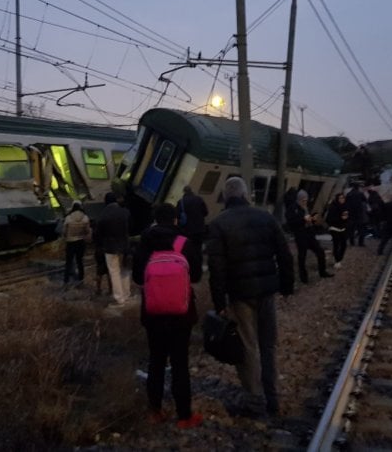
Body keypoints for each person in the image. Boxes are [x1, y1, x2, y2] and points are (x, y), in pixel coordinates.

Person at [207, 176, 294, 417]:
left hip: (240, 295)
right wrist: (287, 286)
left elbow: (217, 269)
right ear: (245, 194)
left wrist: (219, 302)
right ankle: (272, 398)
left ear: (226, 196)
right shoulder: (266, 217)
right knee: (268, 345)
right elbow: (285, 254)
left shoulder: (218, 224)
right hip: (267, 291)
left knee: (248, 346)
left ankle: (255, 402)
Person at [132, 203, 203, 429]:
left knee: (156, 361)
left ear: (154, 219)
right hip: (182, 313)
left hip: (153, 313)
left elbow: (137, 277)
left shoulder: (145, 243)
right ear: (175, 220)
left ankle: (155, 411)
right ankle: (184, 416)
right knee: (180, 363)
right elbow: (198, 275)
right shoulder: (184, 243)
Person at [285, 189, 329, 283]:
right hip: (301, 236)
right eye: (303, 200)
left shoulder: (305, 208)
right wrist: (303, 219)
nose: (305, 202)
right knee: (302, 257)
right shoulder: (293, 208)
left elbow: (308, 220)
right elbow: (291, 223)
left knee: (320, 251)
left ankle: (323, 272)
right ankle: (303, 278)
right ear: (299, 199)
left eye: (306, 200)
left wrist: (313, 219)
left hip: (310, 234)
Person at [96, 192, 132, 306]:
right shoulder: (125, 212)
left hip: (110, 248)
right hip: (125, 246)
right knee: (125, 270)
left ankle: (119, 298)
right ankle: (127, 294)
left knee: (114, 272)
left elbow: (98, 234)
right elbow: (131, 227)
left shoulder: (102, 215)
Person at [62, 200, 91, 287]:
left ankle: (66, 281)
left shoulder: (68, 218)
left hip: (70, 242)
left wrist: (66, 237)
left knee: (69, 262)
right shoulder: (85, 218)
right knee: (80, 261)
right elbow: (87, 231)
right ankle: (81, 279)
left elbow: (64, 231)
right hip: (80, 242)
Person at [177, 185, 209, 254]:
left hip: (186, 230)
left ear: (184, 192)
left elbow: (178, 215)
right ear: (191, 190)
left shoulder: (181, 202)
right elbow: (206, 212)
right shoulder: (199, 199)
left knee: (186, 250)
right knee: (197, 249)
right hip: (199, 229)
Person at [324, 192, 349, 269]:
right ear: (337, 199)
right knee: (336, 244)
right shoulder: (333, 207)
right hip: (334, 228)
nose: (342, 199)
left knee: (344, 245)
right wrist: (340, 218)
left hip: (342, 228)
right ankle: (337, 261)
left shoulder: (345, 206)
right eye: (340, 198)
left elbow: (347, 218)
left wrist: (346, 220)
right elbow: (329, 219)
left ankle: (338, 258)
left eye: (343, 198)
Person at [345, 182, 368, 247]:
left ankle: (352, 242)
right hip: (359, 214)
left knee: (351, 229)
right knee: (361, 229)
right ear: (358, 187)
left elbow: (346, 203)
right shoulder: (360, 194)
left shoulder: (349, 194)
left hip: (351, 214)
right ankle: (361, 243)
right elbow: (365, 201)